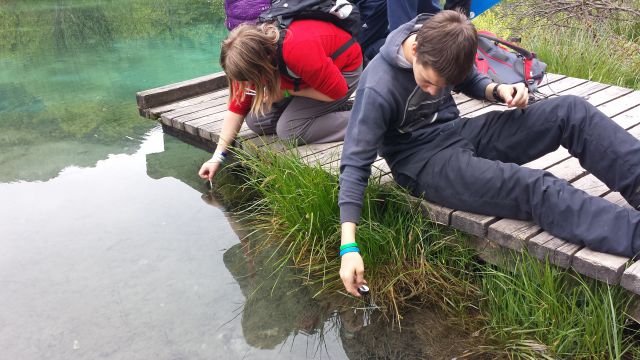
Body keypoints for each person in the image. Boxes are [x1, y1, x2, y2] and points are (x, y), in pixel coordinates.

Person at [337, 10, 640, 297]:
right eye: (428, 81)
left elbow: (468, 78)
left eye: (440, 86)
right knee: (533, 187)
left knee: (571, 112)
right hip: (423, 163)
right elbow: (354, 163)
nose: (433, 91)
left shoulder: (443, 42)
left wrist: (498, 90)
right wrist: (348, 248)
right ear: (415, 50)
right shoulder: (377, 87)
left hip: (458, 132)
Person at [198, 20, 363, 181]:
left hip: (343, 72)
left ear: (263, 64)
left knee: (290, 130)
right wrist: (217, 157)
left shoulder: (297, 49)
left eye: (250, 80)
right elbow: (236, 109)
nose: (247, 85)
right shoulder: (242, 58)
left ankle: (373, 117)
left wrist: (286, 91)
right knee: (257, 120)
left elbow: (337, 92)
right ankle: (333, 110)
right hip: (304, 78)